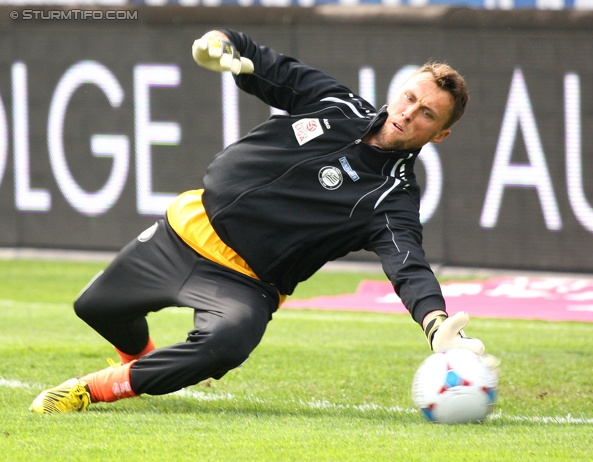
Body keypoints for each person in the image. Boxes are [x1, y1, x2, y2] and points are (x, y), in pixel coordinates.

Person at [30, 28, 486, 414]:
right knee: (92, 307)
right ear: (399, 90)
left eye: (426, 113)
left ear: (440, 135)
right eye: (410, 97)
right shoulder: (338, 105)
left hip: (245, 283)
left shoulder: (392, 198)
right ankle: (139, 360)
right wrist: (225, 43)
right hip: (183, 231)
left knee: (223, 346)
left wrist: (436, 324)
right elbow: (273, 70)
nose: (408, 113)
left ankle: (91, 389)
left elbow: (408, 264)